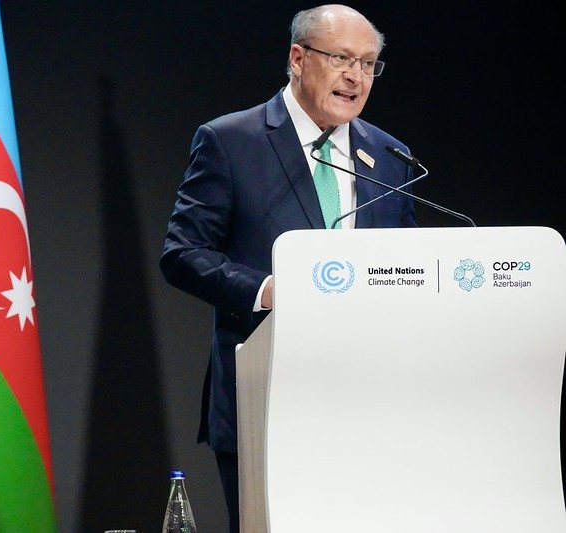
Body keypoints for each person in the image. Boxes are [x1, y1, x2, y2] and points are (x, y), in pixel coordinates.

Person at [159, 4, 417, 531]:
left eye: (369, 64)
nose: (356, 76)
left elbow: (405, 267)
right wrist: (270, 290)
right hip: (265, 397)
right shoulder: (231, 141)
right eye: (342, 58)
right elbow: (183, 254)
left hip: (368, 403)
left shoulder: (390, 157)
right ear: (298, 58)